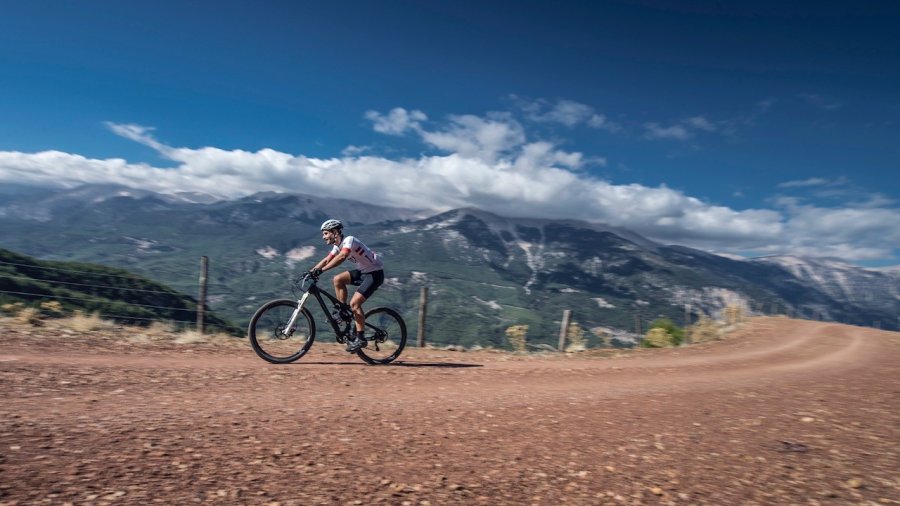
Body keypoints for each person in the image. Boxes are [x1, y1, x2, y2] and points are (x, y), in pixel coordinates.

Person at [309, 219, 385, 352]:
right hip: (363, 272)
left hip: (374, 274)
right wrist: (311, 272)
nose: (323, 237)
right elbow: (327, 259)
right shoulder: (337, 246)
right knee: (338, 279)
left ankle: (360, 338)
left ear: (335, 232)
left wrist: (322, 270)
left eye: (326, 233)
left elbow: (342, 256)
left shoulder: (349, 240)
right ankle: (342, 310)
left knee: (355, 304)